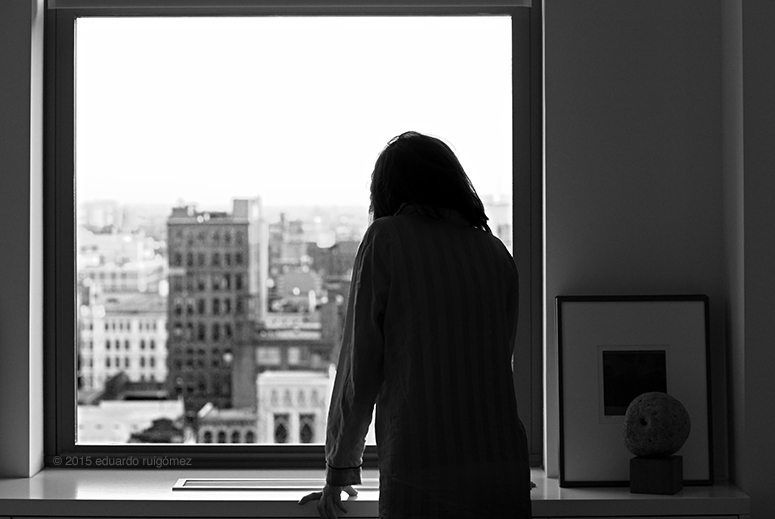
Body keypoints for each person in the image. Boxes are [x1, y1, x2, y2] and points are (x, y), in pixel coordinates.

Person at [299, 131, 532, 518]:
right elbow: (496, 362)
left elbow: (360, 367)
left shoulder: (386, 240)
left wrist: (339, 469)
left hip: (421, 469)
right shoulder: (495, 253)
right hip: (502, 467)